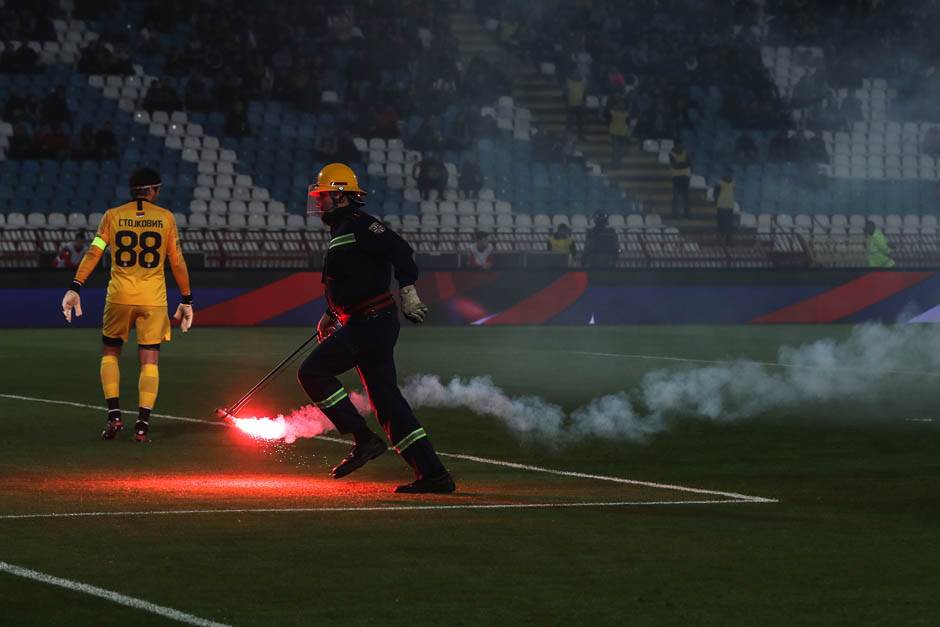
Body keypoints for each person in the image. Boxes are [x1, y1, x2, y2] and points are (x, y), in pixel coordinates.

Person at [300, 163, 455, 494]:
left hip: (371, 323)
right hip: (364, 321)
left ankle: (364, 439)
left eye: (324, 196)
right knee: (387, 402)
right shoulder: (343, 229)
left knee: (312, 372)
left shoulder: (360, 225)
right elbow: (355, 278)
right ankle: (433, 474)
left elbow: (401, 252)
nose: (319, 203)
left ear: (341, 196)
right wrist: (331, 313)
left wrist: (409, 291)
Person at [61, 167, 194, 443]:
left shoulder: (113, 216)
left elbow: (94, 252)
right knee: (150, 360)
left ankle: (114, 416)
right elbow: (177, 261)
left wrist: (75, 287)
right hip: (153, 299)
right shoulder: (166, 218)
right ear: (153, 190)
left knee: (110, 354)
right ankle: (142, 426)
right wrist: (187, 299)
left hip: (119, 296)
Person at [669, 141, 692, 218]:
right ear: (675, 146)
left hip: (685, 177)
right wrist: (684, 164)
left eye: (681, 145)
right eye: (678, 145)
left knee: (686, 197)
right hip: (676, 178)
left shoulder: (685, 152)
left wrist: (680, 164)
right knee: (676, 197)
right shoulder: (671, 154)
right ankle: (674, 214)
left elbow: (688, 163)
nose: (680, 146)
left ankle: (686, 214)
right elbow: (675, 166)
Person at [714, 170, 736, 246]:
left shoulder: (733, 183)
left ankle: (728, 241)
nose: (728, 177)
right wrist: (717, 202)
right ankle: (720, 241)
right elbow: (715, 194)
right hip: (722, 207)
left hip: (729, 207)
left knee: (728, 225)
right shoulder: (719, 184)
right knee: (721, 225)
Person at [565, 69, 586, 140]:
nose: (576, 75)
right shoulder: (569, 82)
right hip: (571, 105)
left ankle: (580, 136)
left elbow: (584, 94)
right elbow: (566, 93)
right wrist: (566, 103)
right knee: (569, 122)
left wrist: (584, 102)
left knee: (580, 123)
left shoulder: (582, 83)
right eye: (575, 74)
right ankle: (567, 136)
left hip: (579, 105)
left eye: (577, 74)